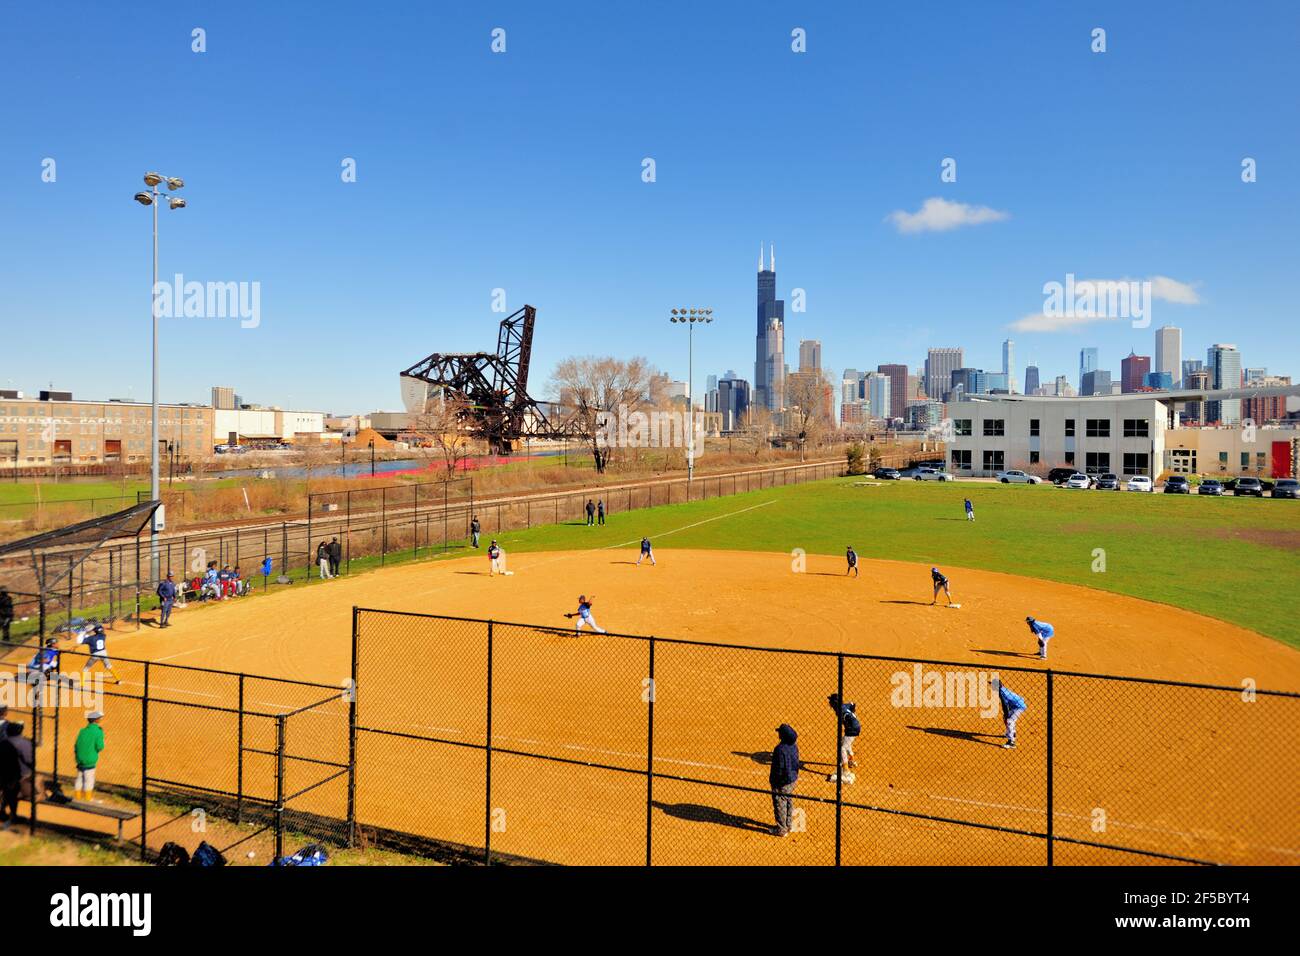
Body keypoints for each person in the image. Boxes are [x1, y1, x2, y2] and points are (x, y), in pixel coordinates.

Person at [0, 721, 34, 828]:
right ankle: (13, 815)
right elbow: (30, 761)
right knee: (13, 789)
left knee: (8, 788)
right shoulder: (26, 743)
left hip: (4, 775)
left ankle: (4, 811)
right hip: (21, 776)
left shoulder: (3, 743)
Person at [769, 723, 800, 837]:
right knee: (788, 800)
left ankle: (782, 829)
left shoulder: (780, 749)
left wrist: (776, 781)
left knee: (779, 802)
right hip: (792, 779)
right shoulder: (794, 746)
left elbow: (780, 768)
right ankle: (789, 824)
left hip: (782, 781)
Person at [826, 693, 860, 783]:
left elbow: (848, 716)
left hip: (852, 728)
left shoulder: (841, 710)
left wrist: (849, 722)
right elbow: (853, 704)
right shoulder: (843, 706)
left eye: (831, 701)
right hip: (853, 727)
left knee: (842, 748)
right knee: (844, 742)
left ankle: (846, 771)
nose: (829, 703)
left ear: (835, 703)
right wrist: (853, 713)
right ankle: (851, 760)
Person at [74, 710, 105, 801]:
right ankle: (88, 798)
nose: (101, 719)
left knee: (79, 778)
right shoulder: (98, 731)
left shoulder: (82, 731)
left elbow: (76, 745)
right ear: (96, 720)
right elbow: (100, 746)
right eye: (100, 718)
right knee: (89, 779)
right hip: (90, 760)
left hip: (80, 759)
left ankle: (77, 797)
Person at [993, 678, 1026, 749]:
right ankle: (1009, 733)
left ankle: (1011, 742)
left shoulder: (1002, 693)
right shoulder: (1002, 689)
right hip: (1015, 705)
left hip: (1018, 707)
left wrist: (1007, 714)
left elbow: (1004, 705)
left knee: (1009, 721)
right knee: (1006, 718)